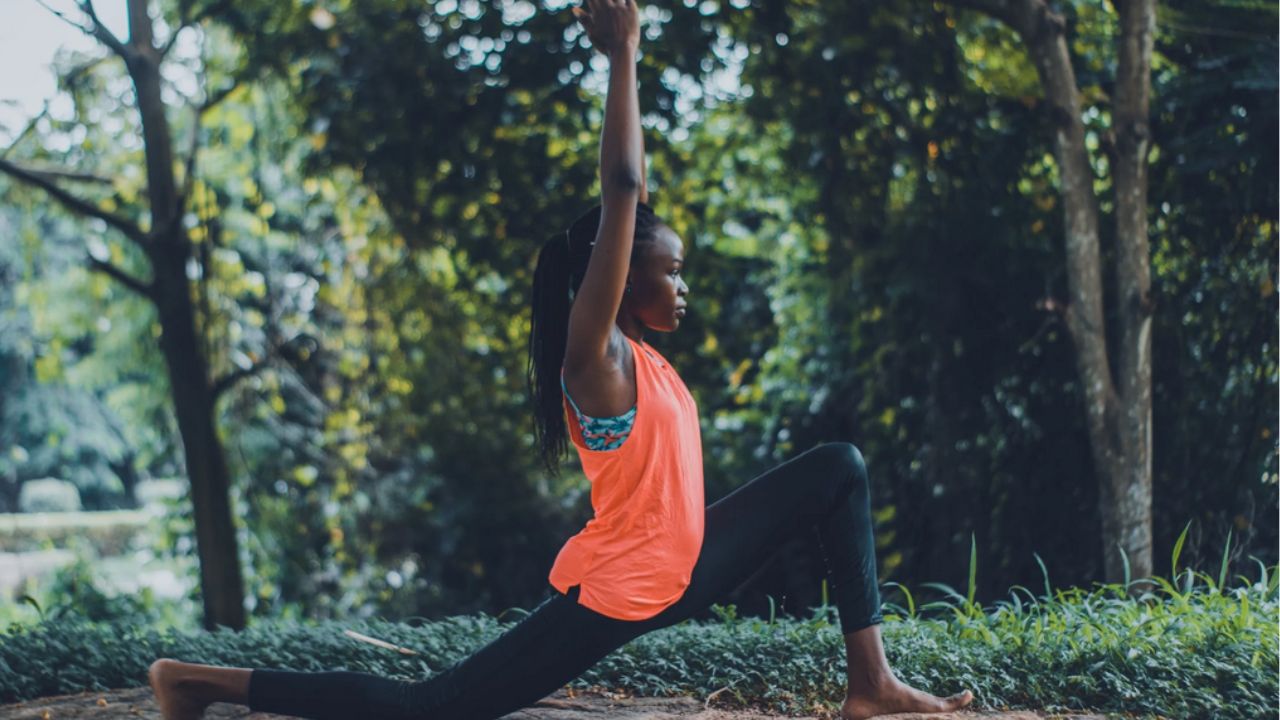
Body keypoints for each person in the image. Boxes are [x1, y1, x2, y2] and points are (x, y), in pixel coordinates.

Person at [148, 1, 975, 718]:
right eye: (671, 269)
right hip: (623, 590)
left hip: (683, 563)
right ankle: (196, 683)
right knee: (428, 707)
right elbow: (622, 187)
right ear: (619, 276)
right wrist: (624, 59)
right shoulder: (597, 356)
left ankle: (871, 682)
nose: (683, 285)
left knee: (839, 468)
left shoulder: (644, 358)